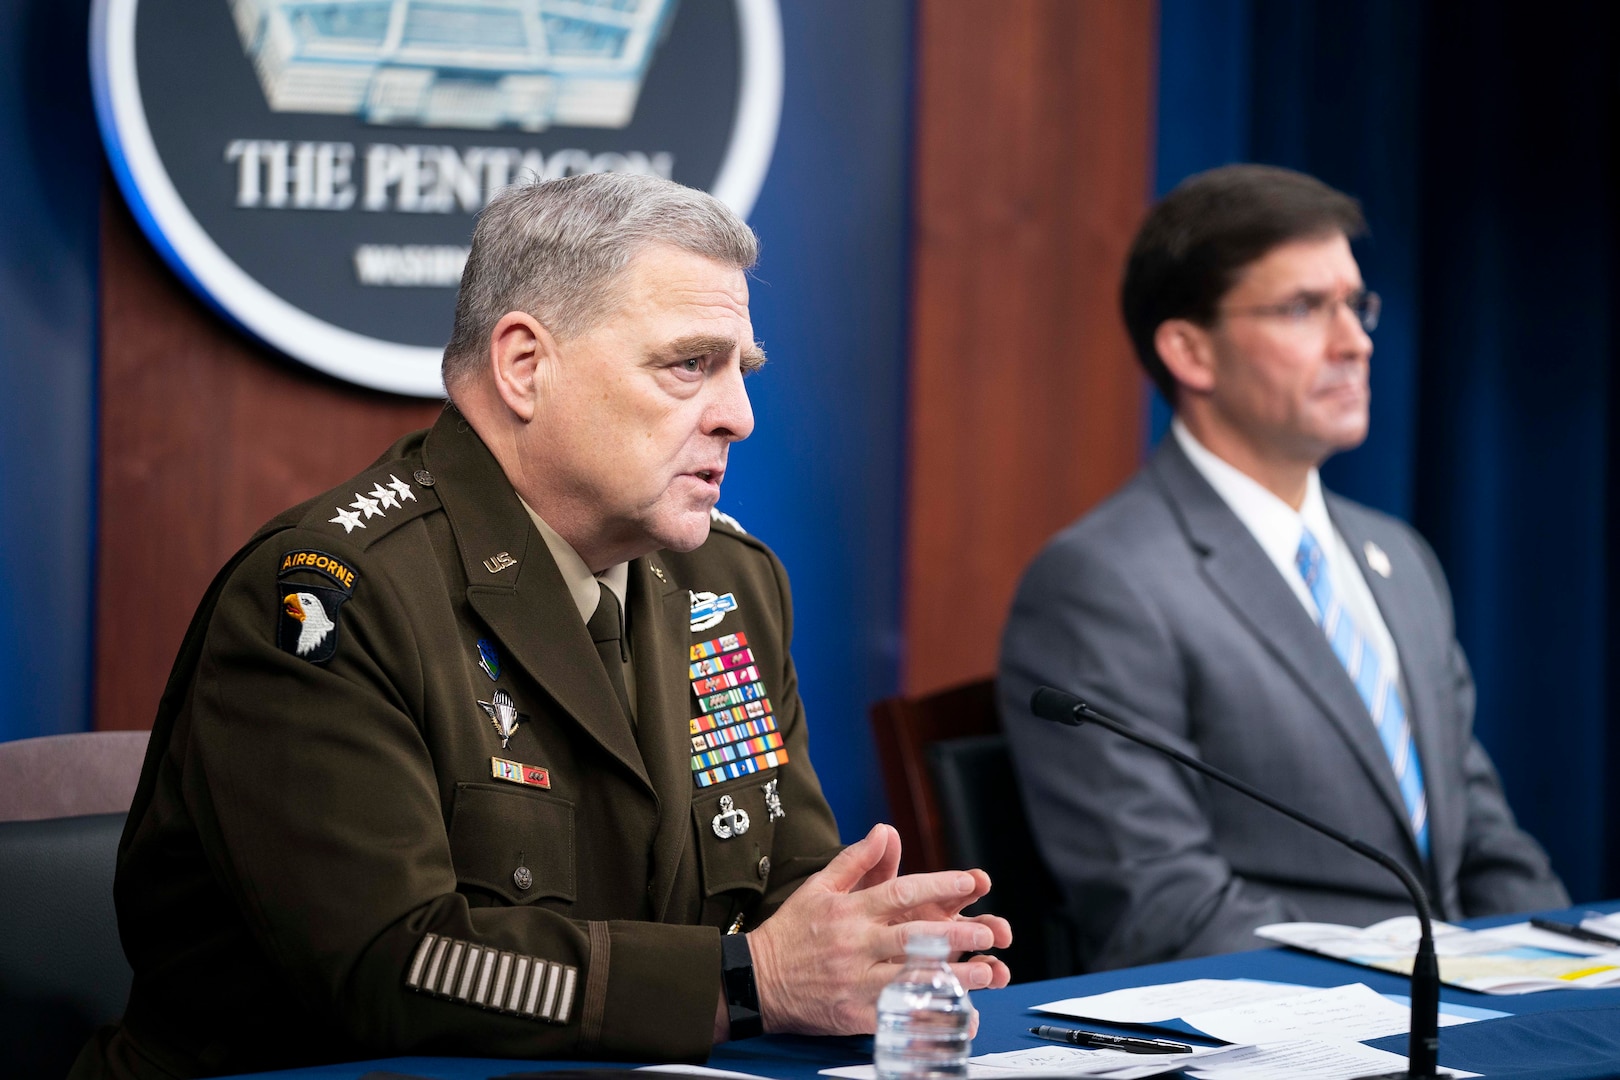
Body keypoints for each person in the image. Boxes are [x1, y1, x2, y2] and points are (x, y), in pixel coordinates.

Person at [76, 173, 1010, 1079]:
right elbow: (396, 965)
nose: (740, 415)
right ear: (526, 365)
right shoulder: (330, 593)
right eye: (690, 364)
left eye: (740, 370)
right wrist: (748, 981)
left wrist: (864, 953)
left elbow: (789, 891)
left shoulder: (729, 580)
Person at [998, 164, 1567, 972]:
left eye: (1356, 305)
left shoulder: (1399, 558)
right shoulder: (1101, 584)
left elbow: (1482, 839)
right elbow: (1165, 908)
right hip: (1307, 1026)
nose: (1356, 342)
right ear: (1189, 350)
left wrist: (1568, 983)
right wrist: (1437, 986)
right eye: (1305, 309)